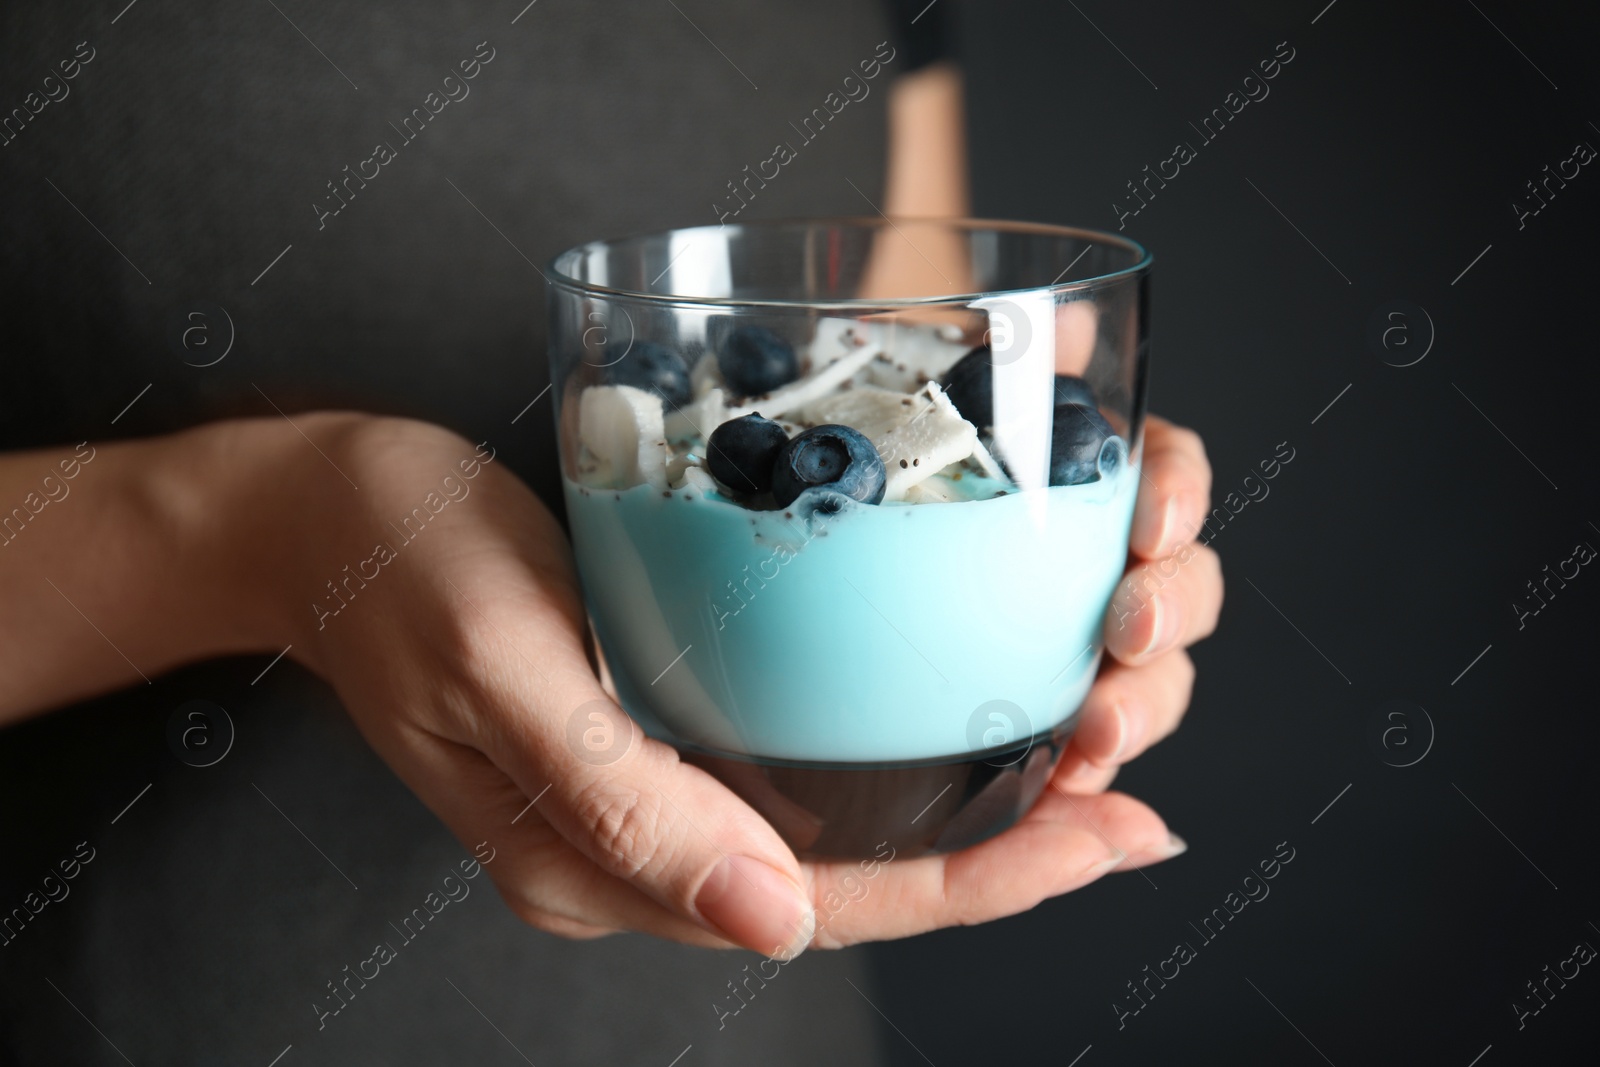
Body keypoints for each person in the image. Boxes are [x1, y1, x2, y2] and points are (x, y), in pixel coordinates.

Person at [0, 2, 1221, 1062]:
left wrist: (1060, 482)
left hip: (744, 1021)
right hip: (149, 990)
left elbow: (905, 344)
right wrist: (265, 534)